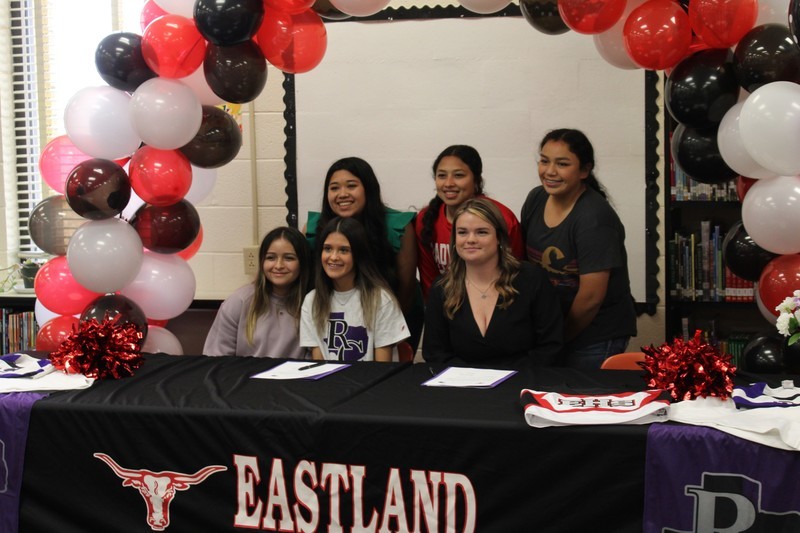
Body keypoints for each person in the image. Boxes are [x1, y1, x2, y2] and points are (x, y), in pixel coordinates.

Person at [521, 128, 637, 369]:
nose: (549, 171)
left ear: (584, 170)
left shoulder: (594, 218)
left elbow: (591, 298)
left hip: (593, 336)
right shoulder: (536, 199)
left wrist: (556, 339)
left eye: (562, 164)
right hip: (553, 330)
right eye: (544, 161)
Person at [423, 198, 563, 368]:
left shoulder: (532, 279)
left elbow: (550, 347)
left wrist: (507, 377)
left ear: (499, 238)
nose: (470, 239)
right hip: (461, 382)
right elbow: (435, 353)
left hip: (524, 379)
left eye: (481, 232)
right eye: (462, 232)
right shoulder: (442, 288)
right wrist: (473, 379)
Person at [305, 157, 423, 351]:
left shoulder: (397, 226)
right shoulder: (314, 228)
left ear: (368, 188)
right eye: (334, 188)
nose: (342, 194)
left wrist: (386, 333)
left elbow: (407, 285)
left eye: (351, 186)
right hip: (336, 320)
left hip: (394, 315)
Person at [416, 145, 525, 300]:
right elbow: (430, 282)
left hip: (499, 302)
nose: (448, 183)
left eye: (458, 175)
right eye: (442, 175)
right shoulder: (426, 219)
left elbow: (516, 273)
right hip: (448, 304)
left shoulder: (503, 219)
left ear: (476, 180)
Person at [301, 217, 409, 362]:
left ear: (359, 254)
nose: (333, 257)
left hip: (372, 376)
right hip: (329, 378)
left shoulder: (381, 299)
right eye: (327, 249)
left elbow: (382, 368)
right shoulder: (311, 301)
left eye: (343, 250)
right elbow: (318, 365)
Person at [203, 226, 312, 357]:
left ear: (303, 262)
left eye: (289, 258)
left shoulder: (312, 304)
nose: (278, 265)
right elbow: (216, 358)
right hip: (241, 371)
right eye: (271, 258)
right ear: (261, 261)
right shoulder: (239, 302)